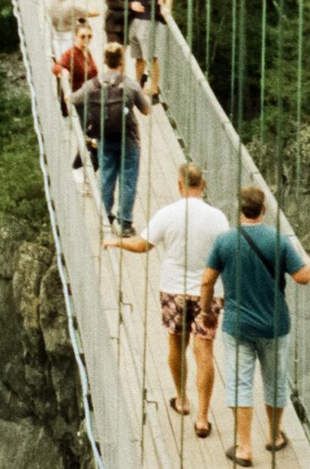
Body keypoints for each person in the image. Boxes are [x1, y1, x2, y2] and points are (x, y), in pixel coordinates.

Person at [108, 163, 228, 439]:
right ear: (203, 185)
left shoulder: (168, 214)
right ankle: (202, 418)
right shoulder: (218, 218)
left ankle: (182, 398)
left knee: (176, 344)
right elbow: (226, 254)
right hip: (208, 291)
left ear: (179, 185)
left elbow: (142, 245)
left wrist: (117, 242)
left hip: (173, 290)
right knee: (204, 351)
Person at [199, 185, 310, 465]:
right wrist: (309, 265)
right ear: (263, 210)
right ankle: (274, 436)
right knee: (275, 381)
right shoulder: (278, 240)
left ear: (239, 210)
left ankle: (243, 447)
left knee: (240, 383)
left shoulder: (224, 241)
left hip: (238, 326)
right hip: (275, 326)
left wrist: (206, 311)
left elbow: (206, 281)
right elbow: (302, 278)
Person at [70, 41, 148, 234]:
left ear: (104, 61)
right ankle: (124, 223)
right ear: (122, 61)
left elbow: (74, 99)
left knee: (106, 177)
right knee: (128, 180)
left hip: (104, 137)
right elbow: (146, 110)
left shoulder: (93, 85)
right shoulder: (129, 84)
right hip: (129, 139)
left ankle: (105, 218)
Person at [108, 0, 174, 101]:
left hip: (148, 19)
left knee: (150, 56)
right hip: (133, 18)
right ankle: (137, 85)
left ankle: (154, 88)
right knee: (137, 57)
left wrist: (167, 7)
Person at [50, 18, 99, 170]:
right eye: (83, 36)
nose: (86, 39)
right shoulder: (71, 54)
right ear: (75, 37)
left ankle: (80, 161)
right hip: (78, 99)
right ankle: (84, 162)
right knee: (89, 129)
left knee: (92, 129)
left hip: (90, 97)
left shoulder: (86, 52)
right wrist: (63, 71)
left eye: (89, 36)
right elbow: (56, 67)